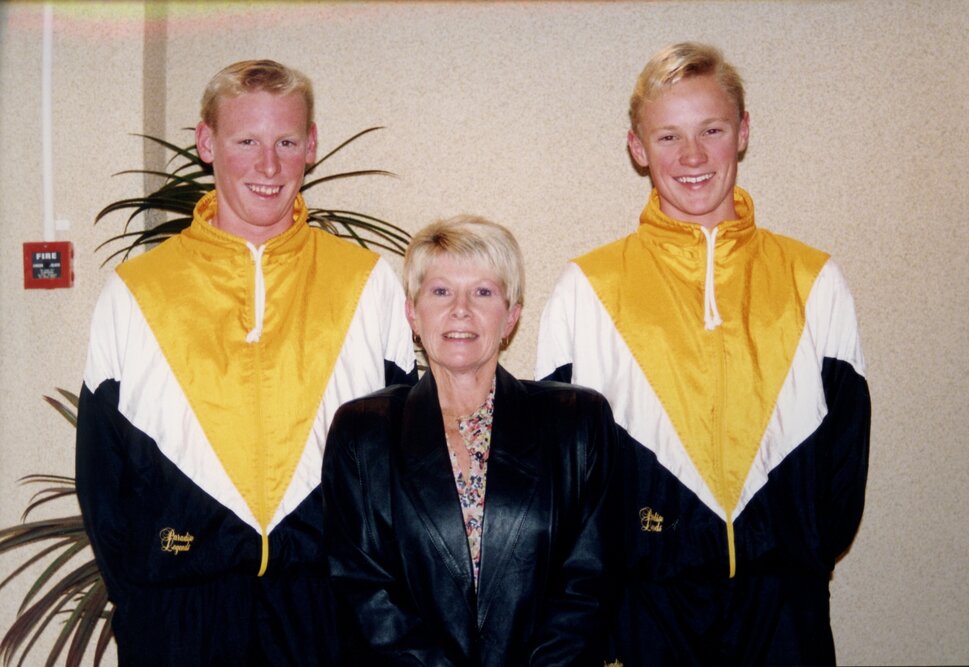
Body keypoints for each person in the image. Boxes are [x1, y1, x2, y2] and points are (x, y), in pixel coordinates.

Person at [536, 42, 871, 665]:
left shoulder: (814, 280)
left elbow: (846, 457)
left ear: (742, 133)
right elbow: (560, 472)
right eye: (668, 136)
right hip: (641, 614)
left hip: (782, 611)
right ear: (637, 148)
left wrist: (795, 559)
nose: (691, 156)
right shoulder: (586, 289)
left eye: (711, 130)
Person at [75, 59, 416, 665]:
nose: (269, 166)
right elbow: (102, 476)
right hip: (180, 613)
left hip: (325, 609)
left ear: (311, 146)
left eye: (286, 142)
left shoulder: (367, 283)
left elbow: (402, 458)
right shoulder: (136, 291)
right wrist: (143, 606)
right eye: (246, 142)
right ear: (207, 144)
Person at [323, 215, 619, 666]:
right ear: (412, 313)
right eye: (441, 291)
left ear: (511, 316)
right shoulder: (362, 432)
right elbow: (362, 591)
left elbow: (589, 586)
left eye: (483, 292)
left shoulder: (578, 424)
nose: (460, 309)